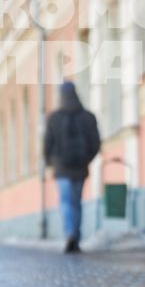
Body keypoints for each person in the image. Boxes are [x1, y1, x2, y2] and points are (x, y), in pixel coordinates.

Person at [42, 81, 101, 254]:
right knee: (76, 202)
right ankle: (75, 235)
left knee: (67, 201)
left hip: (62, 169)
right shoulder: (88, 117)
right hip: (80, 168)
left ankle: (70, 233)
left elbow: (47, 144)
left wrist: (50, 162)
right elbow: (96, 143)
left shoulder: (54, 118)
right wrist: (86, 159)